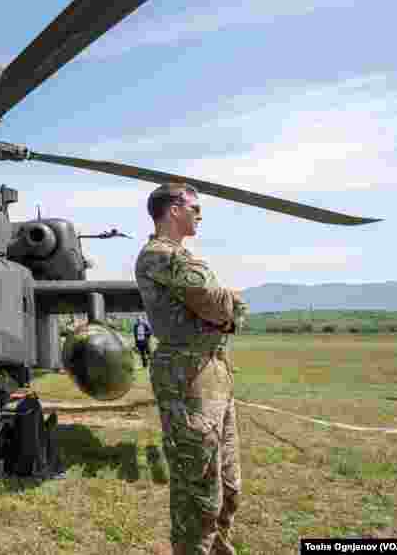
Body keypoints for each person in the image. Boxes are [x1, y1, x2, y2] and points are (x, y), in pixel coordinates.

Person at [135, 182, 249, 555]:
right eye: (194, 207)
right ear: (173, 210)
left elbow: (217, 304)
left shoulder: (181, 257)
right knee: (197, 489)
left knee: (229, 484)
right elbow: (215, 301)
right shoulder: (159, 255)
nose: (199, 214)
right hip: (188, 376)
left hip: (213, 369)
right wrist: (230, 304)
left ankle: (217, 548)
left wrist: (225, 307)